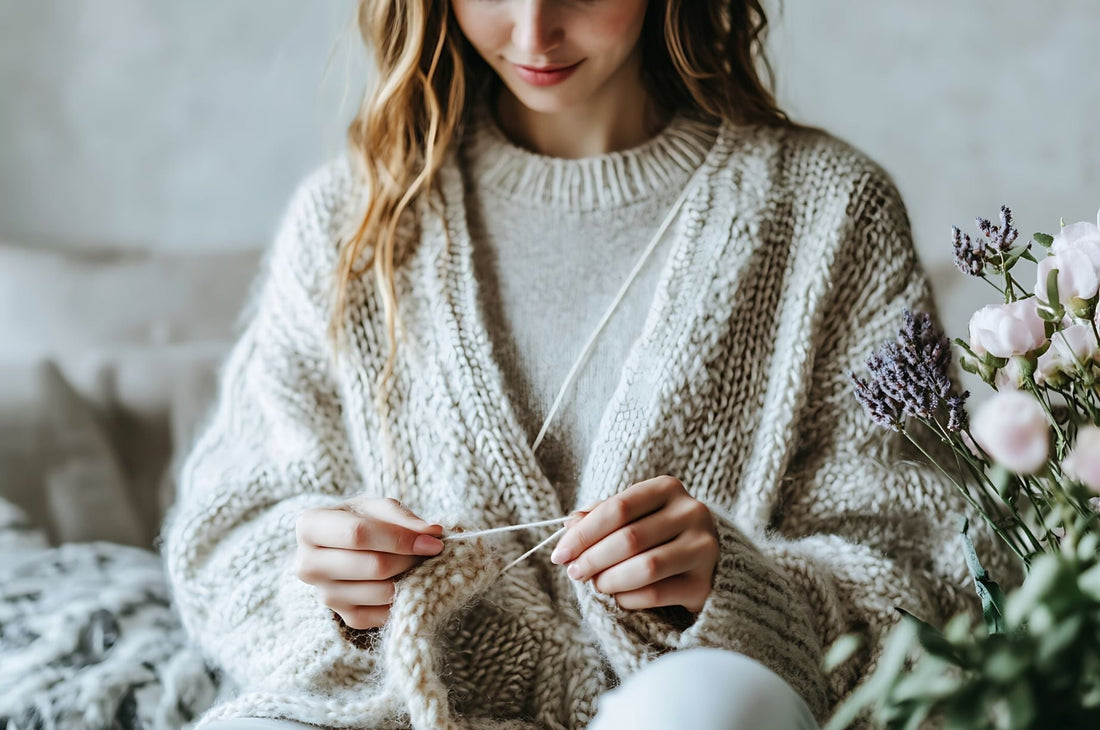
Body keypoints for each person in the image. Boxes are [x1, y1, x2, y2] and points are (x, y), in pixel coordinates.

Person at [161, 1, 1013, 729]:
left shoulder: (829, 211)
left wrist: (737, 587)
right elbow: (229, 537)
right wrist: (332, 599)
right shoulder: (355, 218)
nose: (535, 29)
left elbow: (936, 570)